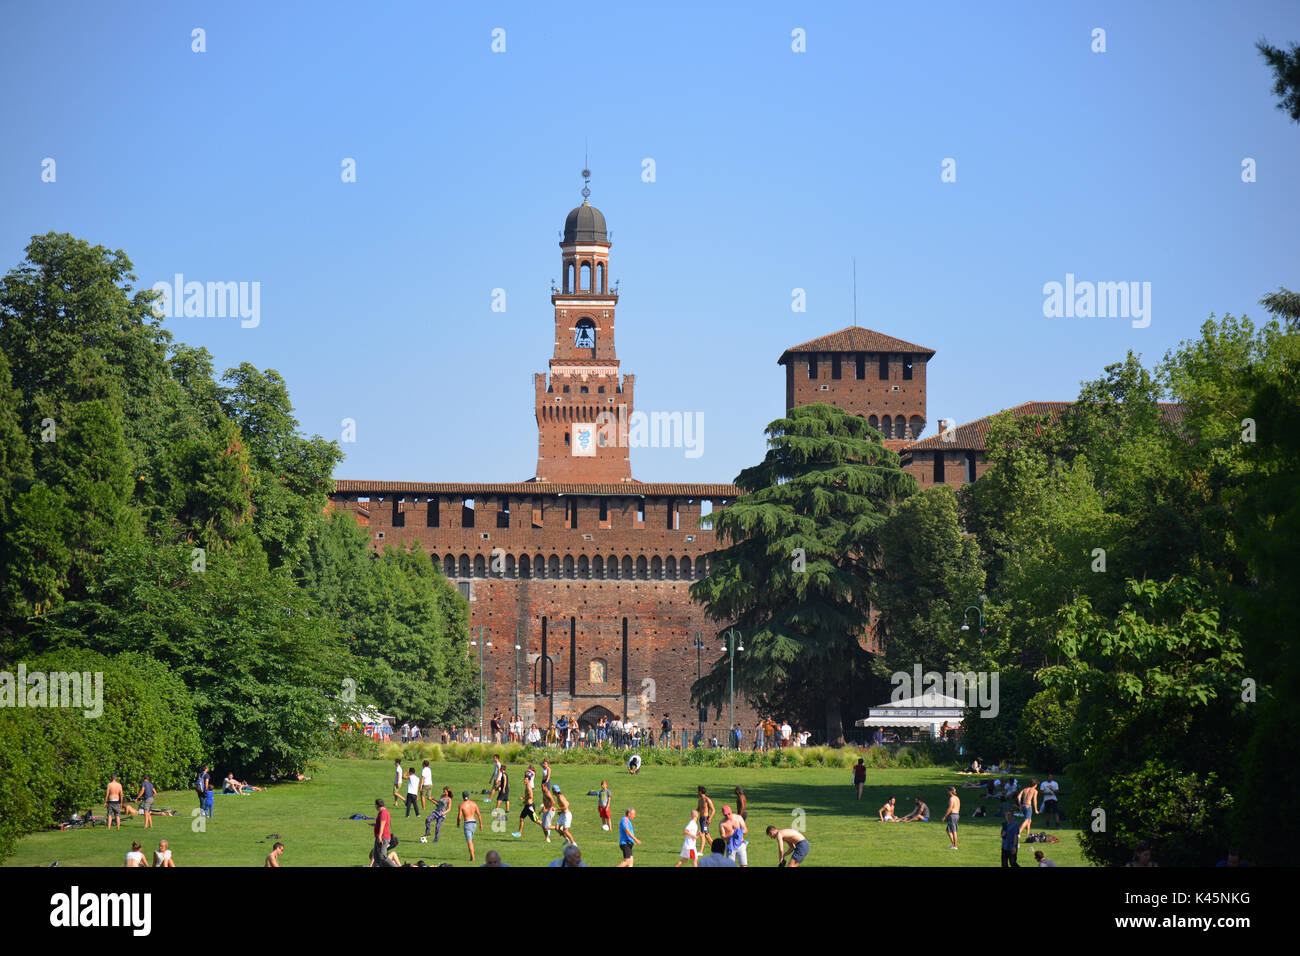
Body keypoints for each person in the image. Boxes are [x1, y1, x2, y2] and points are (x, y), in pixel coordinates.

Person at [513, 767, 540, 839]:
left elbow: (531, 796)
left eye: (526, 779)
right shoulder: (526, 786)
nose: (524, 780)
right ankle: (519, 833)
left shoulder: (529, 787)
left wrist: (524, 798)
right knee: (521, 818)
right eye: (524, 779)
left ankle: (547, 827)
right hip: (526, 806)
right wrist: (525, 800)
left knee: (536, 821)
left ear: (529, 780)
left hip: (530, 807)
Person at [458, 790, 482, 862]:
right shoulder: (474, 804)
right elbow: (479, 814)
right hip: (474, 823)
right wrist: (481, 824)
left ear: (462, 797)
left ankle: (473, 857)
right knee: (471, 840)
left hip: (467, 823)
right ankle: (471, 857)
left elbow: (459, 817)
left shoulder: (462, 805)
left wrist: (458, 823)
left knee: (470, 841)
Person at [373, 798, 395, 867]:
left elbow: (382, 825)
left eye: (375, 805)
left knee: (382, 856)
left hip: (383, 837)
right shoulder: (382, 812)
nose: (375, 806)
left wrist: (380, 836)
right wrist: (375, 825)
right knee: (376, 857)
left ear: (377, 805)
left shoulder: (383, 813)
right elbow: (382, 824)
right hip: (380, 836)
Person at [696, 786, 715, 852]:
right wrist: (694, 814)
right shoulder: (700, 800)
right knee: (706, 835)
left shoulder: (708, 800)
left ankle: (701, 851)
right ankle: (715, 848)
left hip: (705, 819)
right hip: (701, 819)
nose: (697, 792)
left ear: (701, 792)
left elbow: (713, 810)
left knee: (704, 834)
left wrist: (709, 819)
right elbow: (698, 809)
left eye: (698, 791)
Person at [539, 777, 557, 843]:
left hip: (550, 811)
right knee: (543, 826)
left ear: (545, 787)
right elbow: (544, 802)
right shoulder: (544, 792)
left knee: (546, 826)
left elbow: (553, 802)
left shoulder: (548, 793)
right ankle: (547, 838)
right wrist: (542, 809)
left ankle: (558, 828)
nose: (541, 788)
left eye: (542, 786)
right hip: (546, 810)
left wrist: (547, 809)